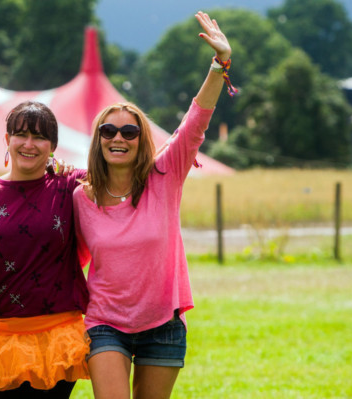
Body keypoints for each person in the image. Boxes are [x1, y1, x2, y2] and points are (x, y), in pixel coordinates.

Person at [72, 11, 235, 399]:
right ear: (98, 140)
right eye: (108, 131)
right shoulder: (81, 196)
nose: (118, 138)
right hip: (104, 324)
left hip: (162, 324)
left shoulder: (166, 175)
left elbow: (194, 123)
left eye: (129, 132)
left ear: (140, 139)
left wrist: (219, 64)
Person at [0, 101, 91, 398]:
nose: (29, 144)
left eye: (39, 137)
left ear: (53, 146)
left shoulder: (69, 186)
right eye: (21, 134)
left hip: (56, 336)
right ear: (7, 140)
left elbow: (119, 177)